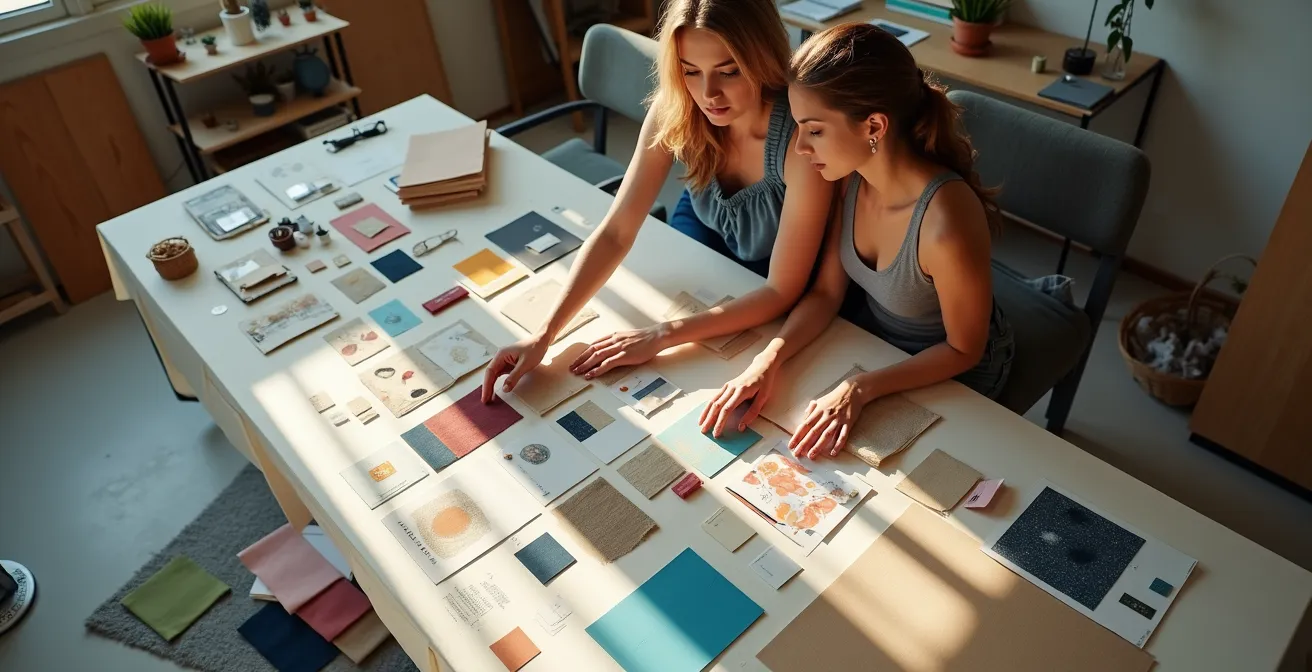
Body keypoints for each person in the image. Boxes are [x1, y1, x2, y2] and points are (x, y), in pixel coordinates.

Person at [481, 0, 832, 403]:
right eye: (690, 71)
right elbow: (616, 231)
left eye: (728, 71)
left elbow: (780, 291)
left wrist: (661, 336)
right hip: (704, 229)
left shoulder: (801, 138)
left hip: (772, 269)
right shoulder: (678, 105)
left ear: (764, 57)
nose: (708, 94)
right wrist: (544, 334)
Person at [700, 23, 1014, 459]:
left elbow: (964, 349)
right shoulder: (849, 178)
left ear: (874, 126)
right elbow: (828, 292)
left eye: (814, 129)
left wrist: (860, 386)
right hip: (878, 345)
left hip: (956, 369)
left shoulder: (946, 222)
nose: (800, 148)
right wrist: (766, 362)